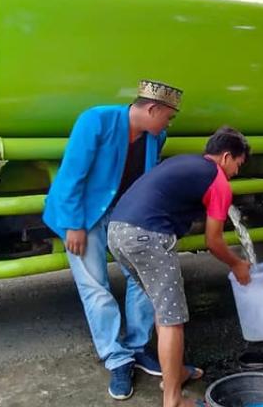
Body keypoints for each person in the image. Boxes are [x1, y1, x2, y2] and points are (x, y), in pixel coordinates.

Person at [43, 79, 180, 400]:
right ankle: (117, 359)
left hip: (125, 215)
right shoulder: (96, 120)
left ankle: (137, 347)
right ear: (153, 109)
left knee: (142, 277)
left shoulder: (155, 137)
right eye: (168, 117)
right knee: (95, 286)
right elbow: (72, 174)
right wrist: (74, 225)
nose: (168, 124)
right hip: (84, 215)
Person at [107, 126, 252, 407]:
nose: (237, 171)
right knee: (172, 319)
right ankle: (173, 399)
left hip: (117, 233)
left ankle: (177, 373)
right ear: (226, 157)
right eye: (238, 164)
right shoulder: (218, 181)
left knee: (163, 309)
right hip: (147, 236)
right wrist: (237, 264)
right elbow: (214, 241)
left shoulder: (185, 163)